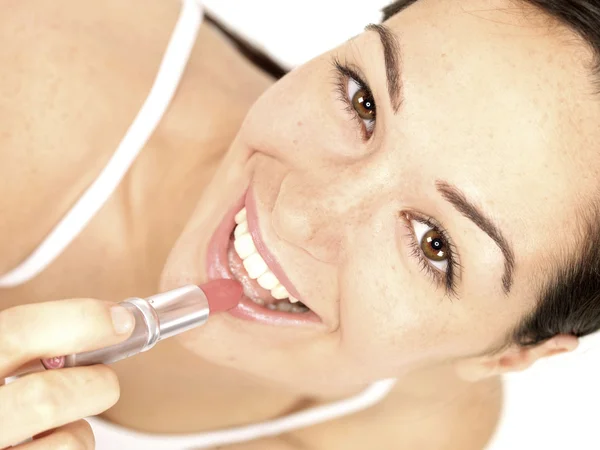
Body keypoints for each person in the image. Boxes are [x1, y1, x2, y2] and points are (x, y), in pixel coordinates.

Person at [1, 0, 600, 448]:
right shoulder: (21, 78)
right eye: (363, 100)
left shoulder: (412, 429)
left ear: (507, 356)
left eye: (433, 243)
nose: (299, 214)